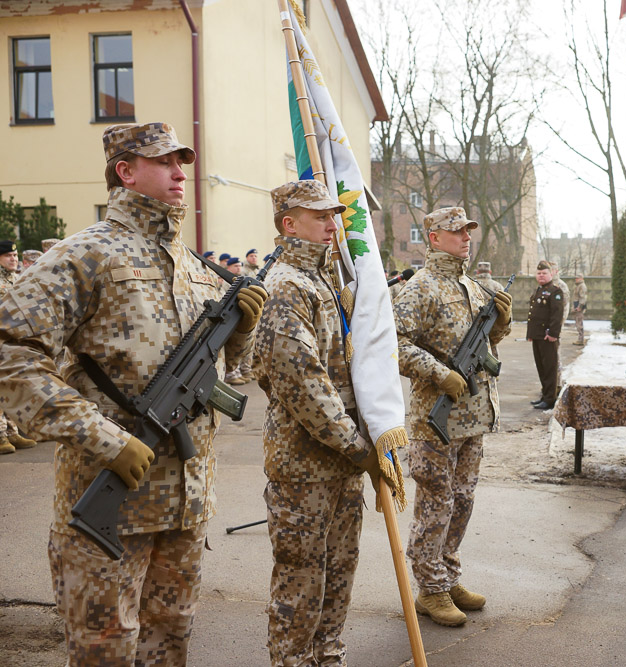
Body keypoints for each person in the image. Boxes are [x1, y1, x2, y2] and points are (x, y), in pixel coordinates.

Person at [0, 121, 266, 664]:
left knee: (170, 642)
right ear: (125, 171)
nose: (179, 172)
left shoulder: (193, 265)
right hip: (110, 503)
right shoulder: (86, 254)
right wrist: (100, 436)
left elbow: (229, 373)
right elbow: (11, 353)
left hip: (186, 503)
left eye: (182, 162)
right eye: (165, 161)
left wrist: (241, 334)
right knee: (106, 651)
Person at [256, 179, 395, 665]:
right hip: (304, 465)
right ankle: (293, 660)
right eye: (321, 217)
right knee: (301, 579)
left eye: (334, 216)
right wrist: (359, 446)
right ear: (288, 223)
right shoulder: (286, 286)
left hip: (342, 461)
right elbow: (304, 385)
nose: (333, 225)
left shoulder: (325, 282)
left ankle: (328, 654)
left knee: (339, 571)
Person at [393, 206, 512, 627]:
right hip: (435, 423)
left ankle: (447, 573)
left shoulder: (475, 287)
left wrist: (501, 323)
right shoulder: (419, 288)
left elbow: (489, 345)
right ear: (434, 237)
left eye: (467, 230)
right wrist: (439, 373)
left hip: (474, 417)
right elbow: (396, 344)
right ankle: (429, 588)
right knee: (436, 504)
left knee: (461, 502)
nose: (465, 237)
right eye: (455, 231)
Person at [0, 240, 37, 454]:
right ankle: (1, 435)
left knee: (10, 387)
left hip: (15, 340)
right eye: (7, 256)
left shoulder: (19, 279)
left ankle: (12, 431)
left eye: (14, 255)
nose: (13, 259)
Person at [526, 260, 563, 410]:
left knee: (549, 368)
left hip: (548, 337)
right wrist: (531, 334)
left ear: (551, 274)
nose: (541, 275)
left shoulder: (555, 292)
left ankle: (550, 399)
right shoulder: (539, 290)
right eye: (539, 273)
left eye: (544, 273)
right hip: (538, 336)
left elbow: (556, 314)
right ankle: (545, 395)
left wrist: (553, 333)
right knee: (541, 367)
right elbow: (533, 315)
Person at [571, 274, 587, 345]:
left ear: (581, 278)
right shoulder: (578, 286)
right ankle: (580, 339)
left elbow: (582, 297)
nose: (576, 279)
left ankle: (580, 340)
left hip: (579, 307)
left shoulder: (582, 286)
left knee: (579, 323)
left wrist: (579, 307)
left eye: (577, 278)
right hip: (576, 306)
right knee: (578, 322)